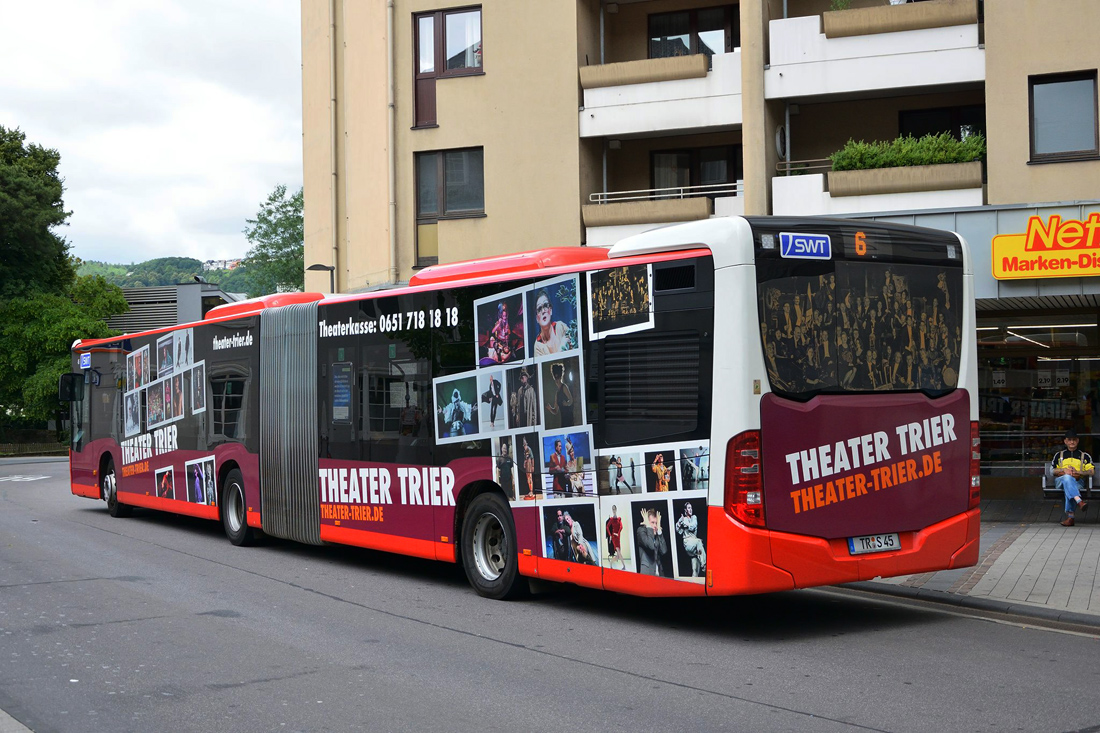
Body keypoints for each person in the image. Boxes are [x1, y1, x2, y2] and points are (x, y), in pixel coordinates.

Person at [1052, 428, 1092, 527]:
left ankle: (1070, 518)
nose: (1072, 442)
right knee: (1067, 478)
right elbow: (1052, 471)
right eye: (1069, 440)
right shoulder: (1059, 455)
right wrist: (1065, 471)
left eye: (1074, 439)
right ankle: (1079, 501)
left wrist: (1077, 471)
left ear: (1077, 441)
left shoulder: (1085, 456)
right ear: (1065, 441)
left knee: (1069, 485)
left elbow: (1091, 471)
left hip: (1078, 481)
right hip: (1060, 481)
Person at [533, 289, 568, 356]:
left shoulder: (560, 327)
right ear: (537, 318)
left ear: (551, 310)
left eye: (546, 305)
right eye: (539, 309)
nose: (543, 311)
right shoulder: (538, 345)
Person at [636, 508, 669, 577]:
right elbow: (650, 545)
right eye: (652, 522)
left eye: (656, 523)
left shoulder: (656, 534)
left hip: (659, 574)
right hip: (648, 574)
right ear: (647, 522)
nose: (655, 525)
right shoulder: (641, 531)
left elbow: (664, 551)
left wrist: (659, 530)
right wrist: (648, 527)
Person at [675, 502, 706, 577]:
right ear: (685, 510)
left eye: (691, 508)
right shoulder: (683, 519)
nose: (691, 509)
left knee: (695, 570)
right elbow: (678, 531)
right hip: (688, 542)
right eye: (689, 508)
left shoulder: (694, 517)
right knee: (699, 542)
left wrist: (687, 525)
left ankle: (694, 581)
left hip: (694, 543)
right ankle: (704, 564)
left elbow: (693, 526)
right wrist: (679, 522)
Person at [545, 362, 574, 427]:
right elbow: (555, 411)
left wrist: (567, 403)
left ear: (560, 377)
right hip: (563, 419)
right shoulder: (557, 393)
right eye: (556, 378)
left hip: (568, 416)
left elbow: (571, 400)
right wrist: (550, 409)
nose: (557, 380)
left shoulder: (564, 387)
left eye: (558, 378)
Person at [605, 505, 626, 570]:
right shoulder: (611, 519)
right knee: (619, 553)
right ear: (612, 510)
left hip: (618, 537)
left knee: (618, 556)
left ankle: (611, 564)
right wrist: (610, 535)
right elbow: (607, 527)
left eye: (614, 509)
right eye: (613, 509)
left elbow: (621, 527)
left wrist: (618, 533)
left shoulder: (619, 519)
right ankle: (624, 566)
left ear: (616, 509)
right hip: (614, 537)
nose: (614, 510)